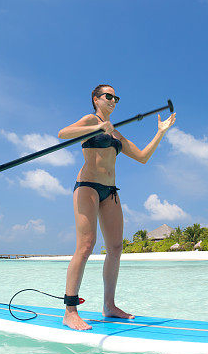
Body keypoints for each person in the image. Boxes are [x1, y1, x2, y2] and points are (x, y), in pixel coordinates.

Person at [57, 84, 176, 330]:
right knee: (86, 246)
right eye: (108, 96)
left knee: (115, 247)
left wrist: (161, 132)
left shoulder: (116, 133)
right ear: (96, 99)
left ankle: (109, 306)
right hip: (87, 186)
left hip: (110, 192)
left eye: (116, 98)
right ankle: (70, 311)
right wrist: (98, 126)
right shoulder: (92, 119)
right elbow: (63, 133)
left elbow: (142, 157)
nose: (113, 100)